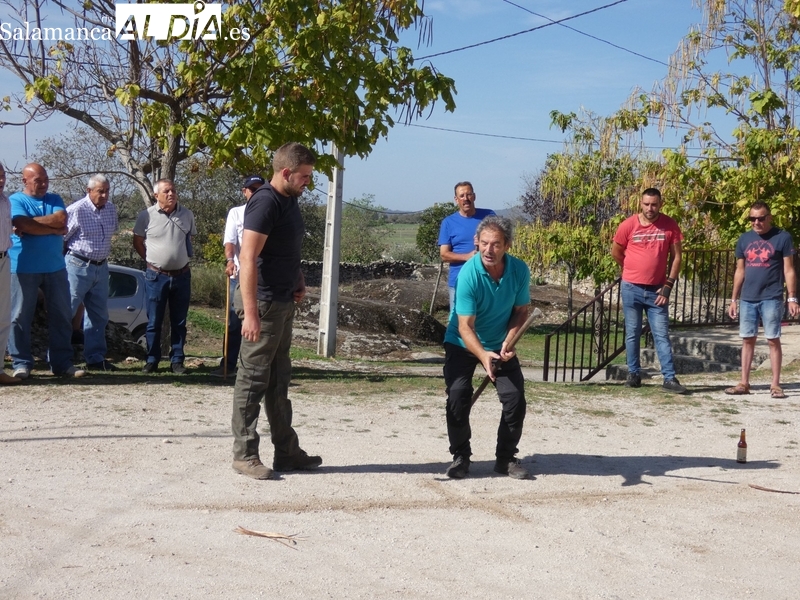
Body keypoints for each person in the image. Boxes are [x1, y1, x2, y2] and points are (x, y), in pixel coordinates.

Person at [231, 142, 321, 480]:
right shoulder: (265, 202)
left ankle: (287, 452)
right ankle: (245, 455)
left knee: (279, 380)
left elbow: (285, 248)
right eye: (304, 176)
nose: (308, 182)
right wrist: (251, 313)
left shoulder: (290, 199)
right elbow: (248, 257)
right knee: (253, 379)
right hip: (263, 303)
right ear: (286, 172)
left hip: (283, 300)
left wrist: (298, 277)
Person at [443, 215, 532, 480]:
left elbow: (521, 311)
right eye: (484, 243)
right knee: (458, 396)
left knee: (514, 400)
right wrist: (483, 355)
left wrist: (508, 341)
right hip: (462, 342)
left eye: (495, 244)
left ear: (507, 245)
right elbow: (465, 326)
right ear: (477, 242)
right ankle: (461, 456)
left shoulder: (519, 270)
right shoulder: (469, 274)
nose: (488, 250)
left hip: (500, 343)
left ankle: (505, 459)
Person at [8, 163, 85, 379]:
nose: (43, 184)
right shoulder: (15, 200)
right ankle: (21, 363)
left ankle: (62, 364)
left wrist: (33, 226)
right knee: (20, 316)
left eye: (45, 180)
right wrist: (52, 230)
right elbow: (21, 224)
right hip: (23, 268)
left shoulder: (54, 199)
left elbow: (61, 220)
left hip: (55, 268)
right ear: (25, 181)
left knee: (62, 315)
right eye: (38, 181)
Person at [611, 188, 686, 394]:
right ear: (641, 204)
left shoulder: (670, 225)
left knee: (661, 334)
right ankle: (633, 374)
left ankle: (669, 378)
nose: (650, 208)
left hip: (657, 291)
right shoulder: (628, 225)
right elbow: (616, 251)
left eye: (654, 204)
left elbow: (677, 257)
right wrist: (630, 268)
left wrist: (668, 286)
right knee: (632, 333)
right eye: (646, 204)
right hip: (631, 288)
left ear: (660, 204)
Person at [725, 202, 799, 398]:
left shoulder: (782, 237)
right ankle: (744, 383)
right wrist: (733, 299)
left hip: (771, 297)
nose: (756, 222)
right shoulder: (744, 239)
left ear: (769, 218)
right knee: (747, 339)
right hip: (748, 298)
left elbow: (789, 270)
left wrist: (792, 297)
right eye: (752, 218)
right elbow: (739, 271)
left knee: (773, 339)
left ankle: (775, 385)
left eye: (760, 218)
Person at [133, 179, 196, 374]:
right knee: (154, 321)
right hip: (156, 277)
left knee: (179, 322)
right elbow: (137, 241)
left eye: (173, 190)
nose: (171, 194)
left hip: (182, 276)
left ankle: (177, 361)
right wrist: (152, 261)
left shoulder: (187, 214)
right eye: (166, 191)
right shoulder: (146, 216)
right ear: (156, 195)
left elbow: (189, 239)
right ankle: (152, 359)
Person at [210, 174, 264, 378]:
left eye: (260, 189)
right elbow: (230, 241)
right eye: (252, 189)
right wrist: (230, 260)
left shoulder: (269, 212)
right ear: (244, 192)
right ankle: (229, 365)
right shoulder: (236, 213)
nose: (256, 193)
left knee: (262, 321)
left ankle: (255, 367)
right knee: (234, 322)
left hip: (264, 278)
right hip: (240, 275)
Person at [64, 174, 119, 371]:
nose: (104, 195)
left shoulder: (111, 209)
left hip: (101, 267)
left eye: (107, 191)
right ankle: (59, 357)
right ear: (89, 191)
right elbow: (62, 239)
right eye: (100, 191)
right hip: (77, 265)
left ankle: (95, 358)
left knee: (98, 315)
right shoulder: (76, 210)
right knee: (67, 312)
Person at [438, 182, 496, 309]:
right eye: (462, 195)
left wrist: (483, 242)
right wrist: (468, 257)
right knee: (459, 319)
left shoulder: (489, 216)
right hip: (459, 282)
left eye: (469, 194)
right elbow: (444, 255)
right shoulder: (448, 223)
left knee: (486, 319)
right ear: (456, 199)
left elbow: (499, 242)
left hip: (487, 281)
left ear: (474, 196)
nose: (466, 198)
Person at [0, 164, 22, 385]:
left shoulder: (6, 201)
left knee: (3, 318)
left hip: (4, 258)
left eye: (2, 176)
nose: (1, 181)